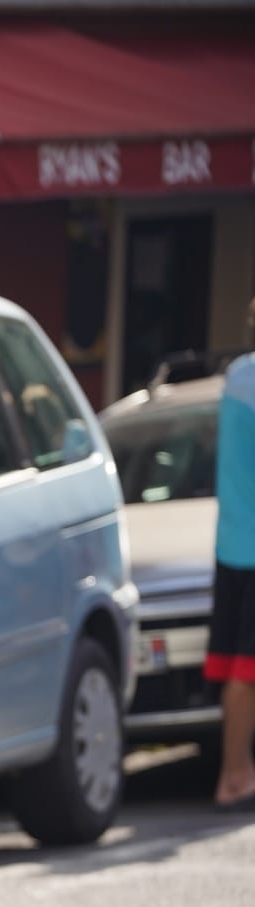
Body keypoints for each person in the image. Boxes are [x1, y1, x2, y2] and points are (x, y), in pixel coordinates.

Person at [209, 300, 255, 813]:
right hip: (250, 546)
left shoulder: (237, 377)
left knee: (243, 668)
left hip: (234, 542)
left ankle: (236, 771)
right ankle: (235, 773)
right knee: (247, 669)